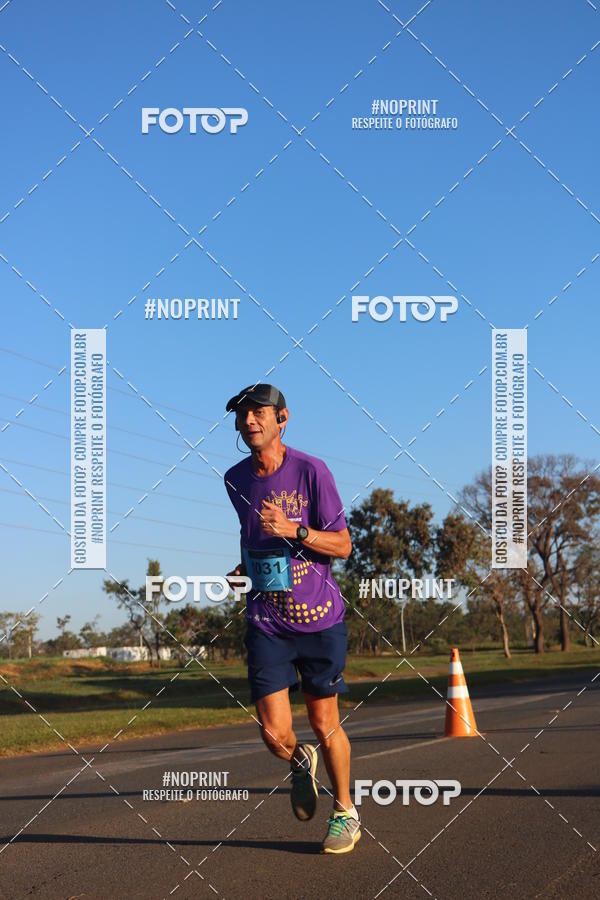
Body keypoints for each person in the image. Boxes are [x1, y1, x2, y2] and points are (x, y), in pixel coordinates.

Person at [223, 383, 361, 854]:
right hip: (266, 619)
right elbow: (252, 539)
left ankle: (345, 812)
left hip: (320, 619)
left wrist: (295, 530)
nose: (248, 422)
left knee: (325, 723)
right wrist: (246, 567)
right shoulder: (235, 479)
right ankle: (299, 761)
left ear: (283, 418)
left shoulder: (311, 471)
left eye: (258, 412)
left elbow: (341, 545)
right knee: (273, 733)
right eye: (242, 415)